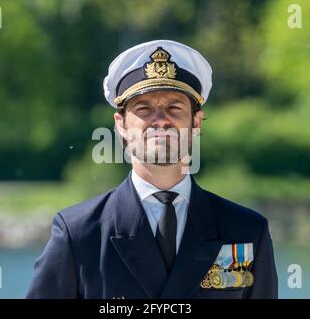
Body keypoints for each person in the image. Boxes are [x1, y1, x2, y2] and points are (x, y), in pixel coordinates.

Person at [26, 39, 278, 299]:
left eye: (174, 108)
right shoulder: (79, 234)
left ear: (196, 122)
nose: (160, 121)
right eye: (144, 109)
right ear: (121, 125)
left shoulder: (245, 231)